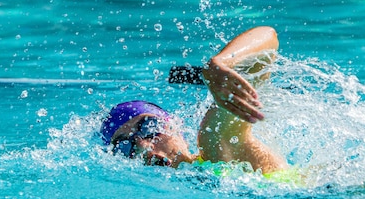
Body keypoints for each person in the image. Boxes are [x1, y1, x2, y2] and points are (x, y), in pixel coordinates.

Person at [100, 26, 287, 174]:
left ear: (175, 125)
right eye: (125, 146)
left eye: (149, 127)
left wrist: (220, 63)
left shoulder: (215, 147)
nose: (144, 146)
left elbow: (267, 36)